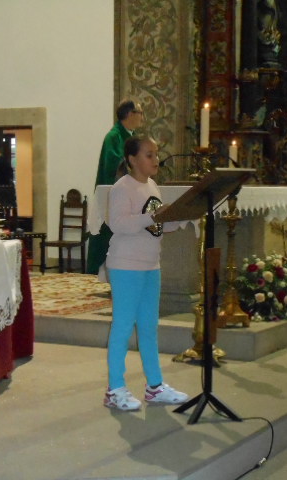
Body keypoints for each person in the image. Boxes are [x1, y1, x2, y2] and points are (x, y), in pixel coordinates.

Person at [103, 135, 189, 411]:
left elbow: (155, 227)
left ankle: (155, 386)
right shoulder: (122, 187)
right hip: (126, 265)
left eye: (156, 154)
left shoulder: (152, 186)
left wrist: (179, 217)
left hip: (151, 264)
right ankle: (115, 389)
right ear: (132, 159)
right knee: (123, 326)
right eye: (149, 155)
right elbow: (119, 224)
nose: (156, 160)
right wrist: (154, 216)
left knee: (149, 327)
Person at [87, 99, 145, 276]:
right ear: (129, 114)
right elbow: (115, 165)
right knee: (108, 237)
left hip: (131, 196)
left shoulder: (132, 137)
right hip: (114, 198)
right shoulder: (114, 137)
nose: (142, 117)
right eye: (140, 113)